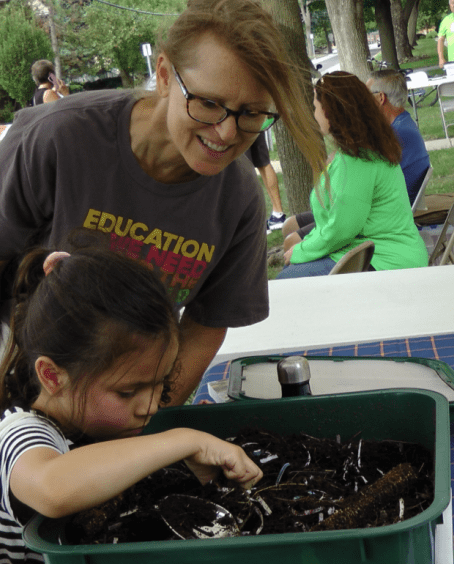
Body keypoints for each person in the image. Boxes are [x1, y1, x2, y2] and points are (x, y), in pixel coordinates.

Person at [0, 0, 326, 406]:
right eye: (208, 103)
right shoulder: (57, 140)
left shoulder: (239, 198)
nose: (226, 133)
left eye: (251, 114)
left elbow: (206, 324)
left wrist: (147, 418)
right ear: (165, 75)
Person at [0, 247, 262, 564]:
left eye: (162, 383)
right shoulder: (21, 431)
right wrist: (184, 441)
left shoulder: (96, 424)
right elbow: (53, 488)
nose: (151, 405)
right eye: (128, 392)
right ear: (52, 376)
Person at [277, 72, 428, 279]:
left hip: (387, 261)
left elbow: (342, 229)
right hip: (371, 253)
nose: (313, 114)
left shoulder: (358, 159)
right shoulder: (357, 151)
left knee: (285, 284)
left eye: (315, 107)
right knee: (288, 278)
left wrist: (301, 250)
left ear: (331, 112)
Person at [366, 70, 431, 206]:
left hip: (393, 213)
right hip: (397, 207)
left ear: (381, 98)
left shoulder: (396, 133)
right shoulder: (403, 123)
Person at [244, 132, 286, 232]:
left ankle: (255, 223)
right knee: (263, 162)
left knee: (243, 166)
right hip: (256, 119)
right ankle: (278, 214)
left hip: (237, 122)